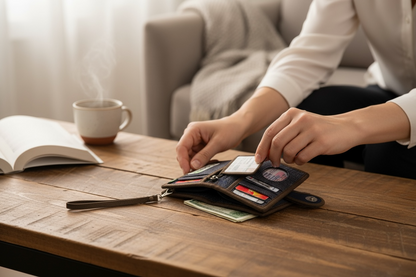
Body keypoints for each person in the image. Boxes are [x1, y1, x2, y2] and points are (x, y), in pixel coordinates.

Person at [176, 0, 416, 180]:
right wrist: (239, 121)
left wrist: (351, 126)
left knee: (389, 149)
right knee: (311, 111)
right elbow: (311, 52)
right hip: (391, 89)